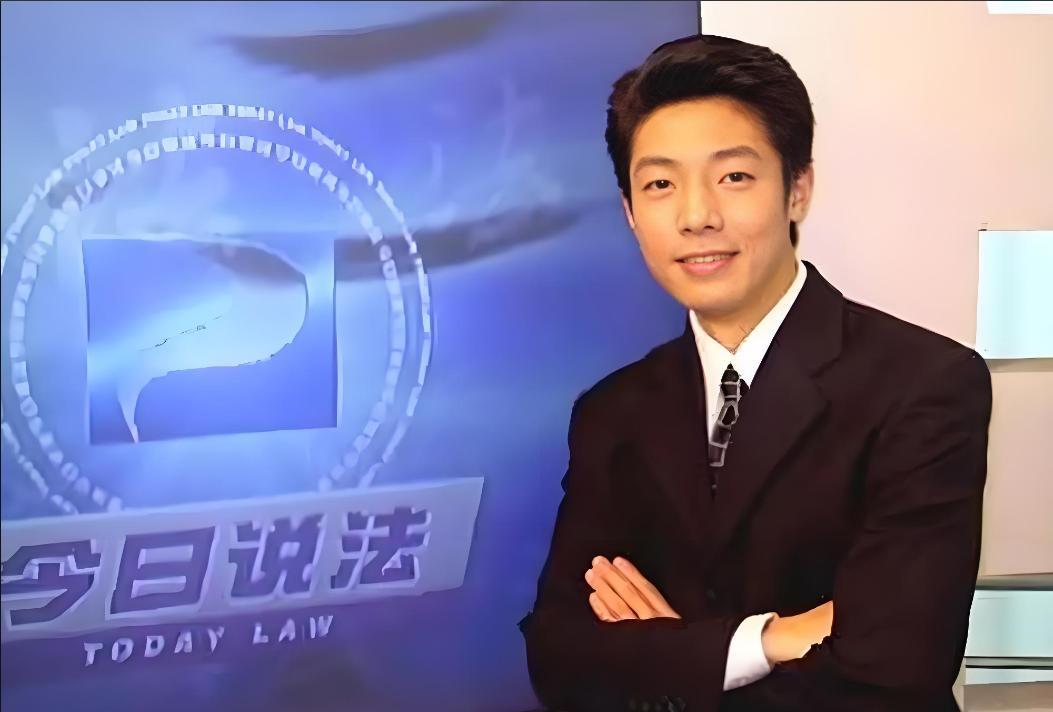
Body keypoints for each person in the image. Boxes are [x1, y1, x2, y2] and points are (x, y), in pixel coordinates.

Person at [519, 34, 992, 712]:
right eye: (660, 184)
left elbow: (894, 667)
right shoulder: (612, 411)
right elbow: (560, 657)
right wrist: (768, 640)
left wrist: (668, 657)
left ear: (797, 189)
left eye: (733, 177)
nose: (696, 216)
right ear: (629, 213)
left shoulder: (924, 385)